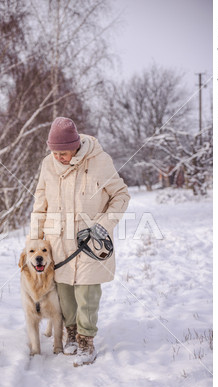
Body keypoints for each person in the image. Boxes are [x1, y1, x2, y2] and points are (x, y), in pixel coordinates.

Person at [30, 117, 130, 367]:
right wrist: (36, 239)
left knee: (87, 293)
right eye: (54, 152)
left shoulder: (99, 161)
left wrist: (102, 227)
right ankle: (71, 333)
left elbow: (121, 196)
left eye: (63, 152)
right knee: (64, 293)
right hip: (58, 242)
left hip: (90, 241)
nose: (59, 157)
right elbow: (40, 204)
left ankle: (86, 340)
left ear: (75, 146)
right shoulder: (47, 164)